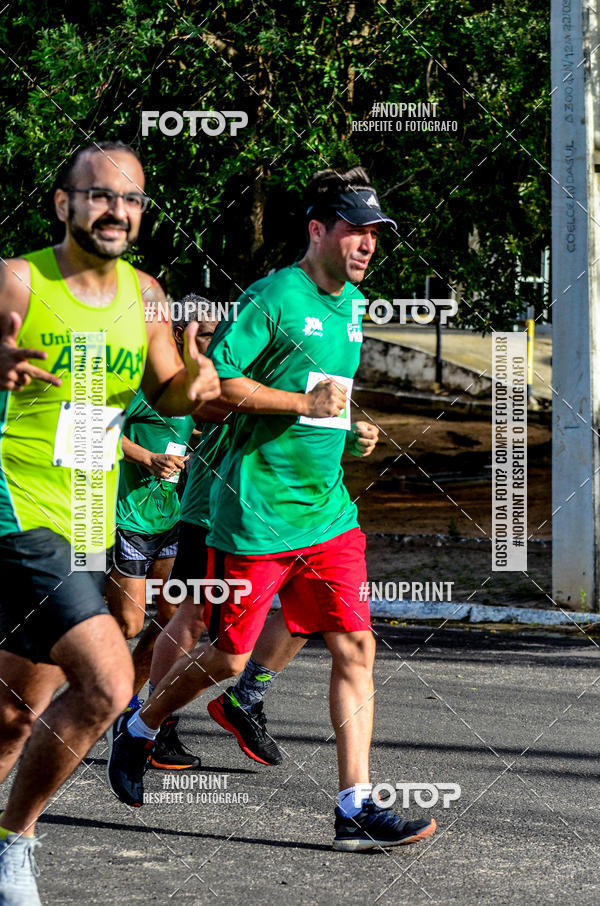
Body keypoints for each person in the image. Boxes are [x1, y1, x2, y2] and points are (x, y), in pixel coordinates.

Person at [108, 165, 437, 851]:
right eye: (356, 230)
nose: (369, 244)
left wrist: (352, 423)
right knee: (227, 657)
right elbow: (218, 383)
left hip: (329, 515)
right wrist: (301, 406)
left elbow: (323, 389)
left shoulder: (352, 307)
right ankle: (137, 726)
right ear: (318, 230)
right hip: (255, 514)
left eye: (376, 235)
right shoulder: (274, 296)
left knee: (356, 646)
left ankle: (354, 805)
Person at [0, 140, 219, 905]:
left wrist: (197, 377)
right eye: (99, 195)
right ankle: (15, 845)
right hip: (17, 509)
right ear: (64, 203)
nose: (115, 211)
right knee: (108, 681)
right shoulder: (18, 280)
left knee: (15, 713)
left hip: (89, 513)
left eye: (130, 199)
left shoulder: (148, 295)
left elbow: (172, 395)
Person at [148, 419, 379, 767]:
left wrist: (352, 435)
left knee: (313, 609)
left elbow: (313, 429)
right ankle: (154, 726)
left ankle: (244, 698)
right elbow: (196, 402)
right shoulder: (242, 364)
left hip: (298, 516)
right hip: (218, 506)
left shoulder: (319, 367)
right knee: (194, 616)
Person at [107, 295, 220, 770]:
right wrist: (148, 458)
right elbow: (101, 428)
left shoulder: (206, 383)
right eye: (207, 334)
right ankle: (100, 700)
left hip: (176, 516)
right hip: (132, 517)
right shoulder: (143, 378)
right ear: (179, 333)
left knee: (173, 620)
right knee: (130, 624)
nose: (215, 343)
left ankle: (146, 722)